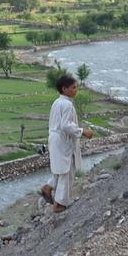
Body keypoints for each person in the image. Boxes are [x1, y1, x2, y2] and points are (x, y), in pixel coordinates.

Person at [40, 74, 93, 213]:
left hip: (55, 139)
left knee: (60, 168)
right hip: (62, 140)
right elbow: (65, 125)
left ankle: (48, 187)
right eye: (73, 87)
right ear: (64, 89)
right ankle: (60, 204)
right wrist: (83, 132)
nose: (76, 90)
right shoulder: (67, 104)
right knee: (67, 170)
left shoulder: (57, 102)